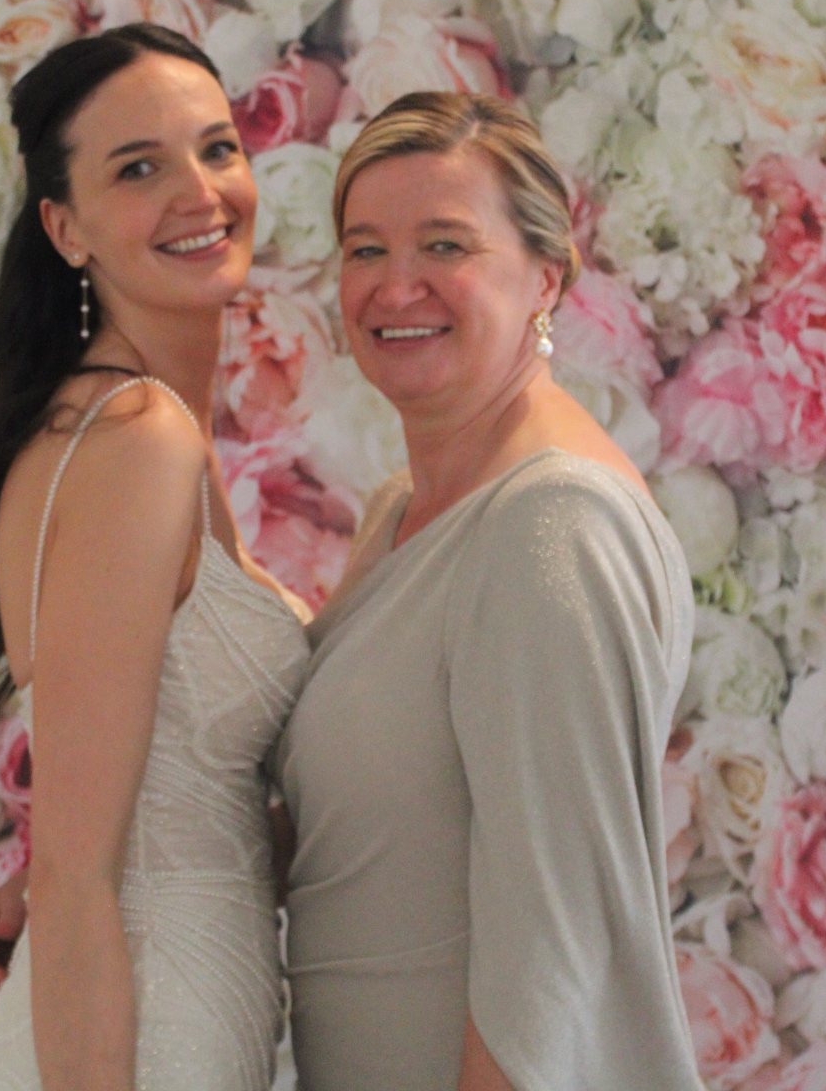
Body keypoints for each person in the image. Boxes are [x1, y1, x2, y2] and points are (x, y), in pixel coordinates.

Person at [275, 92, 705, 1091]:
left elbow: (550, 962)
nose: (396, 286)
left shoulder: (550, 524)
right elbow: (343, 834)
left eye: (445, 245)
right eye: (366, 249)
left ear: (545, 275)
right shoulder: (402, 512)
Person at [0, 23, 311, 1091]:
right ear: (66, 228)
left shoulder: (137, 430)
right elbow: (78, 869)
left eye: (217, 148)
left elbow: (166, 806)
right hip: (138, 1041)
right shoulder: (136, 440)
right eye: (139, 168)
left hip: (184, 1016)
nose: (199, 192)